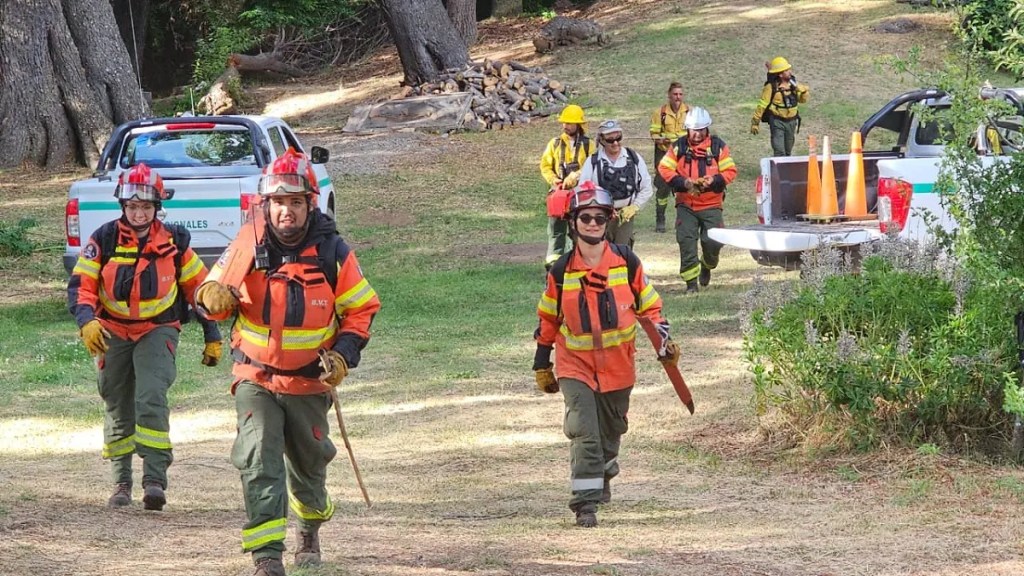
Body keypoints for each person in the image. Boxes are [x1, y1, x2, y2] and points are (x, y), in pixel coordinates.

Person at [194, 148, 380, 576]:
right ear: (266, 204)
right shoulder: (247, 241)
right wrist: (212, 298)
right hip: (254, 376)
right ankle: (267, 556)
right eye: (278, 203)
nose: (286, 211)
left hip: (309, 383)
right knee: (259, 456)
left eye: (295, 202)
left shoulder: (332, 251)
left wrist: (343, 356)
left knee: (309, 461)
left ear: (309, 203)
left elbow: (361, 309)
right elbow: (212, 293)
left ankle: (310, 528)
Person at [67, 162, 223, 511]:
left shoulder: (175, 242)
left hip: (158, 327)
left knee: (151, 396)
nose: (139, 213)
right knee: (116, 399)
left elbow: (200, 291)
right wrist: (87, 321)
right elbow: (81, 286)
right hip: (112, 329)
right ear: (123, 206)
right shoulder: (103, 240)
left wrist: (211, 335)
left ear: (157, 208)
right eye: (133, 206)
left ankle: (154, 479)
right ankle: (121, 482)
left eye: (146, 207)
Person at [533, 185, 680, 528]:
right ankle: (585, 504)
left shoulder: (627, 262)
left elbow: (651, 307)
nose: (593, 223)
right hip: (575, 365)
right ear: (573, 222)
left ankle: (604, 472)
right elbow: (548, 319)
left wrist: (665, 342)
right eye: (585, 217)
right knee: (584, 431)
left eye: (600, 217)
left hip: (618, 365)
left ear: (608, 221)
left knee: (611, 432)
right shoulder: (560, 272)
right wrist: (542, 362)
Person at [658, 107, 737, 294]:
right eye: (694, 130)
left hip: (712, 204)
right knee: (686, 241)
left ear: (707, 129)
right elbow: (664, 168)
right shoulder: (678, 147)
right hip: (686, 204)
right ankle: (691, 284)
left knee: (713, 242)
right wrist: (683, 182)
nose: (697, 134)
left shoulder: (718, 147)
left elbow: (730, 171)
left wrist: (714, 180)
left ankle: (707, 266)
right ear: (687, 129)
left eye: (701, 130)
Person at [579, 119, 653, 247]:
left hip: (625, 217)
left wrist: (635, 207)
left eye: (618, 138)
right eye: (610, 140)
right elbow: (583, 191)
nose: (615, 143)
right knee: (599, 254)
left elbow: (646, 188)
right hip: (599, 218)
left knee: (622, 255)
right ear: (601, 140)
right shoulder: (593, 162)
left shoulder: (634, 158)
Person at [539, 104, 595, 269]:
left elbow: (591, 166)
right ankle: (553, 268)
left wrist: (576, 176)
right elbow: (545, 166)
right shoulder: (554, 144)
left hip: (581, 194)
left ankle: (579, 265)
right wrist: (554, 180)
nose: (565, 125)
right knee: (556, 231)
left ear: (579, 125)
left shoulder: (588, 145)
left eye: (570, 123)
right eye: (564, 122)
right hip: (559, 194)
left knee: (580, 231)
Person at [649, 82, 689, 232]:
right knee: (663, 188)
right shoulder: (660, 113)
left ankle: (683, 220)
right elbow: (653, 134)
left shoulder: (689, 112)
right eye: (675, 94)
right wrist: (660, 139)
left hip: (684, 155)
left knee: (683, 187)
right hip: (664, 154)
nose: (678, 97)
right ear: (669, 95)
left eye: (680, 94)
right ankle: (660, 219)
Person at [750, 56, 810, 156]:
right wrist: (755, 122)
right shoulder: (771, 87)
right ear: (780, 74)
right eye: (786, 70)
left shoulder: (794, 85)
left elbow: (802, 101)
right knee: (779, 150)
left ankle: (786, 169)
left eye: (789, 69)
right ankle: (779, 170)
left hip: (791, 122)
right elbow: (762, 105)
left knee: (788, 150)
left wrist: (804, 92)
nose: (790, 72)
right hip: (777, 122)